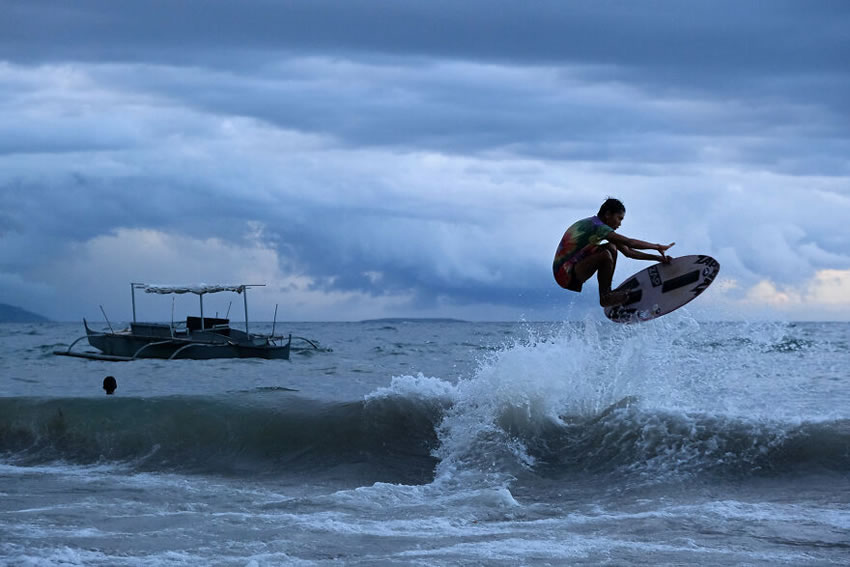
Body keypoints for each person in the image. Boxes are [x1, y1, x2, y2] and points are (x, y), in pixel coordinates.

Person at [553, 198, 675, 307]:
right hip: (564, 274)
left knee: (611, 247)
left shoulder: (600, 229)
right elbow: (630, 242)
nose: (620, 224)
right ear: (607, 214)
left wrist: (658, 258)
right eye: (619, 218)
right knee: (606, 254)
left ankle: (607, 292)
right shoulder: (596, 226)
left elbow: (629, 252)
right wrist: (657, 246)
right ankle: (606, 296)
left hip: (575, 266)